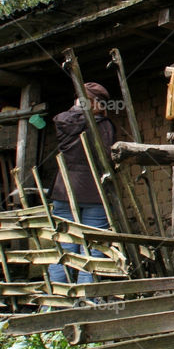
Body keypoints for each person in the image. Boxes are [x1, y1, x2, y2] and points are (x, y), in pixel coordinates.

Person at [48, 82, 115, 284]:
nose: (104, 109)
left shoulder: (63, 122)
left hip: (64, 192)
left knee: (64, 248)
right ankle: (86, 302)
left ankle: (59, 301)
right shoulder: (103, 127)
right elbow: (108, 157)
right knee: (92, 251)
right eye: (101, 104)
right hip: (94, 194)